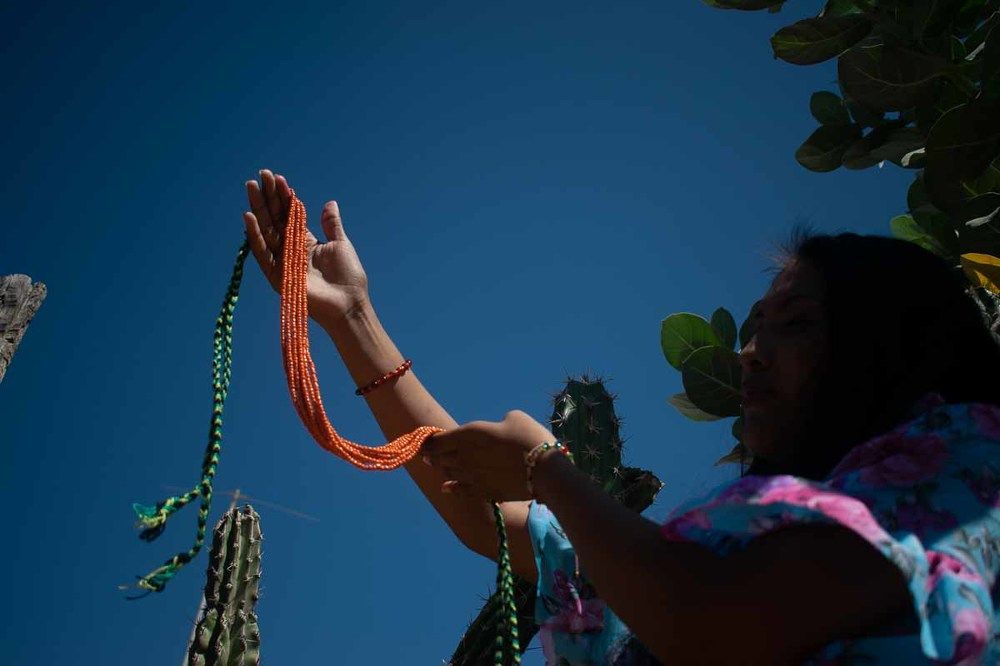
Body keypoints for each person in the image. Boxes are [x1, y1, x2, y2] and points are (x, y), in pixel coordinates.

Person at [243, 169, 999, 665]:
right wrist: (352, 318)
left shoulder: (972, 467)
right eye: (755, 330)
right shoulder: (683, 563)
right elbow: (488, 519)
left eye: (796, 324)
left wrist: (548, 472)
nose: (750, 355)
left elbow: (710, 622)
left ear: (882, 347)